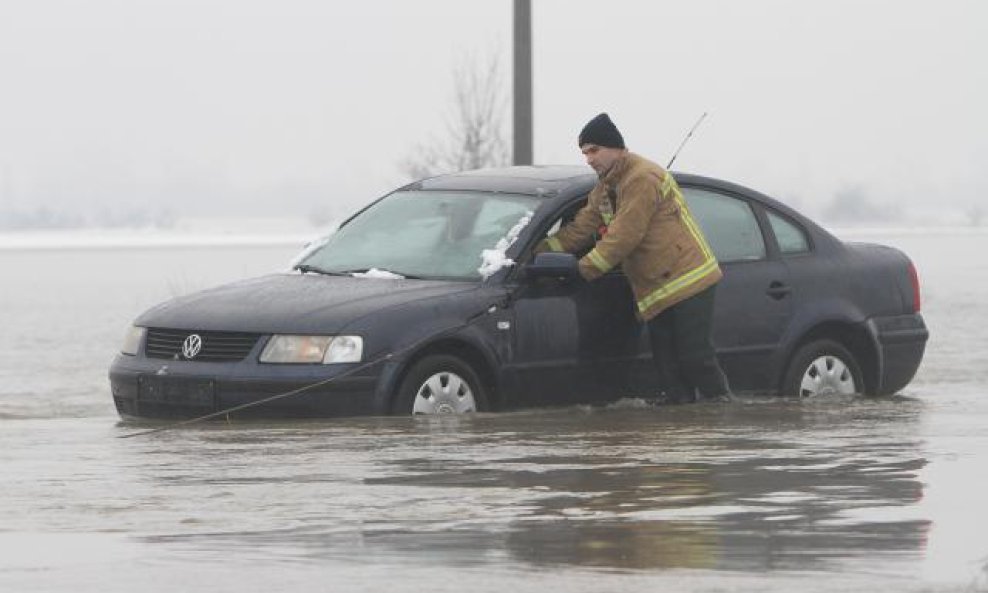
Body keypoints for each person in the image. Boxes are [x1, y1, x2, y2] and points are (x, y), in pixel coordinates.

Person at [537, 112, 733, 403]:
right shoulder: (605, 188)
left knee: (696, 358)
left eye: (594, 150)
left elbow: (623, 236)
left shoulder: (642, 178)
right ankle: (683, 431)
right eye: (584, 153)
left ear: (616, 148)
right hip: (654, 289)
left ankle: (722, 413)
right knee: (668, 369)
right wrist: (537, 249)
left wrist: (581, 270)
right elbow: (580, 229)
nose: (589, 159)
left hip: (688, 279)